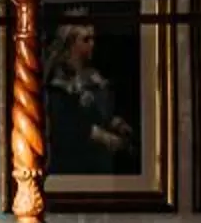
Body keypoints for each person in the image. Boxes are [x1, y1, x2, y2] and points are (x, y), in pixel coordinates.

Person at [42, 13, 136, 176]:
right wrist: (102, 136)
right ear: (71, 43)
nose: (92, 44)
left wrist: (117, 124)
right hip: (74, 164)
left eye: (93, 39)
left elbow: (101, 114)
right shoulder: (57, 83)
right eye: (86, 40)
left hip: (101, 166)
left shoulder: (94, 77)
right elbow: (64, 126)